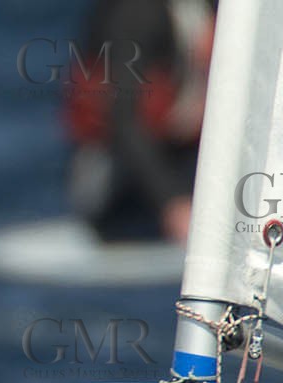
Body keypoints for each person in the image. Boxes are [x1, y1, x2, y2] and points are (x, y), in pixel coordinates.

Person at [64, 0, 215, 244]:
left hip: (182, 154)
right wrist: (172, 201)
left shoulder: (208, 9)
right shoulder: (135, 12)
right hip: (117, 176)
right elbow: (123, 120)